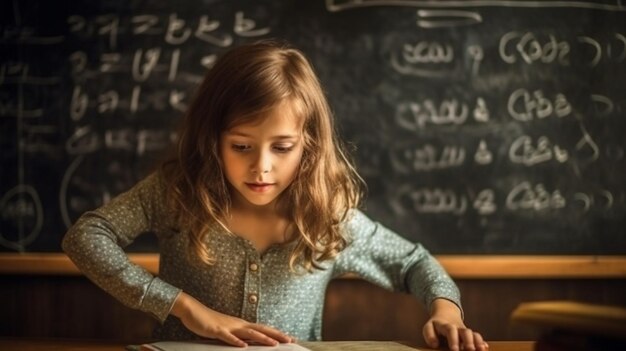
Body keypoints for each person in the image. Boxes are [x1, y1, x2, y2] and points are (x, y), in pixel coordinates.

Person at [63, 40, 488, 351]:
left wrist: (446, 310)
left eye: (282, 148)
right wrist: (186, 308)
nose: (261, 167)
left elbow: (412, 261)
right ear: (213, 140)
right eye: (241, 146)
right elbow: (85, 237)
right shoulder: (178, 192)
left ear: (309, 145)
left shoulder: (328, 216)